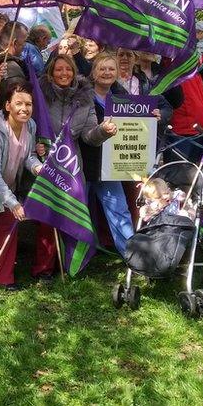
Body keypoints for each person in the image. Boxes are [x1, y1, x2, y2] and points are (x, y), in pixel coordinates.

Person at [40, 55, 116, 269]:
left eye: (68, 69)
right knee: (47, 215)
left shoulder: (85, 99)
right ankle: (44, 267)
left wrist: (103, 131)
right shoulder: (41, 96)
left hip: (72, 165)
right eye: (58, 70)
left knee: (72, 212)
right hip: (46, 160)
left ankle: (71, 263)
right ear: (50, 73)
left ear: (74, 72)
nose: (63, 74)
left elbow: (89, 137)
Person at [0, 83, 40, 291]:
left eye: (28, 104)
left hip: (10, 185)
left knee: (1, 228)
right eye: (19, 104)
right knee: (5, 226)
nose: (24, 108)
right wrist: (13, 203)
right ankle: (1, 277)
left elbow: (28, 156)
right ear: (7, 106)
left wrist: (37, 168)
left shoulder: (30, 125)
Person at [82, 53, 137, 256]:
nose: (107, 73)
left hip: (110, 166)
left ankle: (132, 256)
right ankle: (78, 259)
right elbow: (86, 135)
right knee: (80, 212)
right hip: (85, 164)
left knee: (120, 211)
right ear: (94, 72)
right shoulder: (83, 96)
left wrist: (151, 116)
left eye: (111, 69)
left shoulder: (122, 97)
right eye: (102, 69)